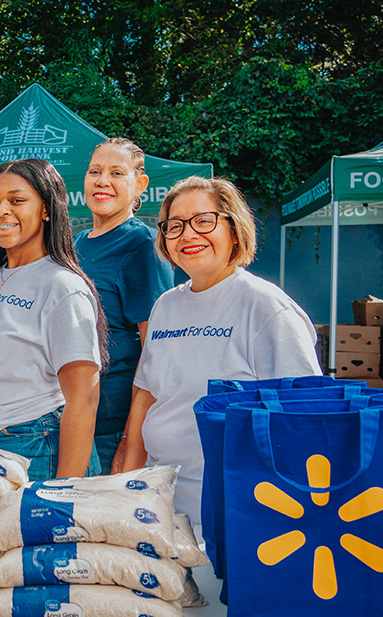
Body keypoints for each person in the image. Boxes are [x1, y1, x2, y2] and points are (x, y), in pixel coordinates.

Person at [119, 176, 321, 521]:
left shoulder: (266, 308)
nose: (188, 235)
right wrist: (126, 483)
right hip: (159, 502)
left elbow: (306, 419)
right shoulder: (165, 306)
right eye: (175, 226)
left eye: (203, 221)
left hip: (236, 508)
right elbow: (147, 396)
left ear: (234, 228)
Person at [0, 159, 107, 481]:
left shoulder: (63, 286)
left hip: (42, 445)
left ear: (46, 209)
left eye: (16, 200)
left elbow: (83, 399)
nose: (1, 211)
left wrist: (63, 491)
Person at [74, 138, 174, 475]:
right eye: (95, 172)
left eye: (117, 173)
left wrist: (131, 440)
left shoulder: (141, 245)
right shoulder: (75, 244)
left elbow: (156, 352)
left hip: (111, 427)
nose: (103, 181)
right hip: (71, 418)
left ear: (139, 184)